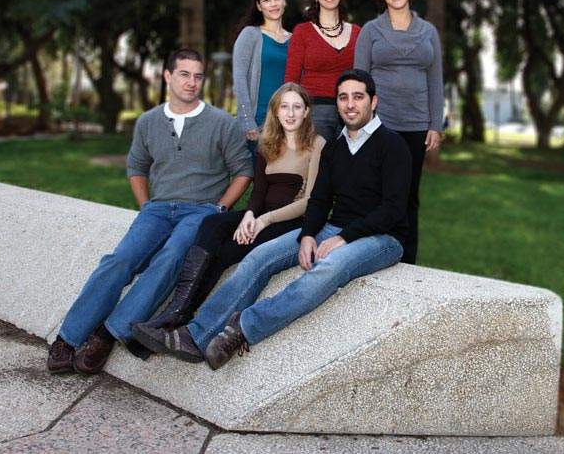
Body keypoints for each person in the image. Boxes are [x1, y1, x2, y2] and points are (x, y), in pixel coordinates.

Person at [135, 69, 410, 371]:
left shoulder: (392, 145)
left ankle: (245, 327)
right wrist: (308, 235)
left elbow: (393, 209)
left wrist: (343, 238)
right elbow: (319, 199)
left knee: (329, 267)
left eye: (358, 97)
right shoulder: (336, 147)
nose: (350, 104)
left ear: (374, 101)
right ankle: (196, 335)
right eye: (343, 97)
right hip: (333, 227)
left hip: (383, 238)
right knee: (258, 257)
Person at [46, 49, 253, 375]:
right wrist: (146, 206)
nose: (192, 82)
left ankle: (108, 333)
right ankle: (68, 338)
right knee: (120, 259)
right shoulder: (148, 122)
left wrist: (220, 208)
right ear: (167, 76)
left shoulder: (222, 124)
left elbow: (243, 171)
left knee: (171, 257)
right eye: (184, 74)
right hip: (157, 210)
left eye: (198, 76)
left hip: (200, 211)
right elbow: (137, 167)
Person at [130, 83, 324, 342]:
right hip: (260, 215)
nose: (290, 113)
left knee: (224, 253)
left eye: (297, 107)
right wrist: (248, 216)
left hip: (289, 221)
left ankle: (179, 316)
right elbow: (258, 193)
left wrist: (263, 220)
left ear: (306, 111)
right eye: (284, 107)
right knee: (212, 224)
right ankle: (175, 312)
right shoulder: (267, 144)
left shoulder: (317, 144)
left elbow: (310, 201)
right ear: (276, 112)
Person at [353, 0, 444, 264]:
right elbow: (359, 81)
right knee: (378, 197)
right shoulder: (371, 31)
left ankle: (407, 261)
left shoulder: (428, 31)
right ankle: (371, 257)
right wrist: (357, 124)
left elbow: (436, 81)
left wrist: (435, 125)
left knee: (408, 197)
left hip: (417, 127)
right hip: (380, 127)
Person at [284, 0, 361, 143]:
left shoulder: (359, 33)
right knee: (315, 170)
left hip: (351, 114)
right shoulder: (302, 32)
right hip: (314, 115)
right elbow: (290, 81)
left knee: (348, 171)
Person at [232, 0, 292, 158]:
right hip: (258, 124)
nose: (273, 4)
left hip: (288, 123)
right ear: (259, 6)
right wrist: (247, 121)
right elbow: (239, 79)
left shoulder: (295, 39)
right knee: (262, 181)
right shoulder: (250, 35)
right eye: (267, 0)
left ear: (284, 1)